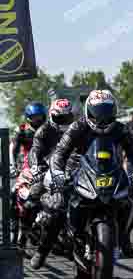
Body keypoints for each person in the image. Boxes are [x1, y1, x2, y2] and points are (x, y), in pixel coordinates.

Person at [50, 90, 133, 260]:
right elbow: (60, 152)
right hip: (79, 170)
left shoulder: (120, 129)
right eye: (97, 114)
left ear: (114, 112)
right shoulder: (77, 126)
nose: (102, 119)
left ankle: (124, 238)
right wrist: (57, 172)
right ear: (88, 111)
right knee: (60, 201)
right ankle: (66, 238)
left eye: (106, 114)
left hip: (112, 171)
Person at [28, 98, 78, 269]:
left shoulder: (79, 128)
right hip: (50, 171)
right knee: (39, 200)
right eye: (60, 118)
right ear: (51, 116)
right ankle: (40, 249)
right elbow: (35, 151)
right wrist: (36, 167)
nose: (64, 121)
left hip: (77, 171)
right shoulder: (43, 131)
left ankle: (120, 240)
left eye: (67, 118)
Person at [8, 102, 47, 244]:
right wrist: (12, 165)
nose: (38, 120)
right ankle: (14, 231)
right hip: (27, 169)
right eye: (35, 117)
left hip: (48, 167)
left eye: (40, 116)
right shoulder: (22, 130)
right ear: (29, 117)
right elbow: (12, 148)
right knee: (13, 194)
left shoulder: (49, 130)